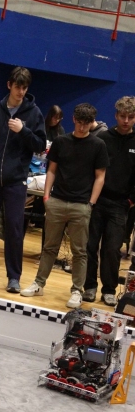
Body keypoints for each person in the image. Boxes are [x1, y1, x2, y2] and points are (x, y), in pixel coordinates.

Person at [21, 103, 109, 308]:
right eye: (79, 122)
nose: (82, 127)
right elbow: (51, 170)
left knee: (80, 251)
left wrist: (91, 203)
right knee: (49, 247)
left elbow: (100, 176)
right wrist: (46, 197)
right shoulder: (61, 141)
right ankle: (39, 283)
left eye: (86, 123)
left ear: (92, 123)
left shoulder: (98, 145)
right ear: (73, 119)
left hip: (82, 205)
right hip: (57, 201)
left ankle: (77, 290)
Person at [0, 66, 46, 293]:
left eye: (24, 88)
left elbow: (40, 145)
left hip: (16, 181)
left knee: (14, 229)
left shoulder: (34, 114)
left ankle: (14, 277)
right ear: (9, 85)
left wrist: (23, 130)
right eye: (17, 87)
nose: (21, 92)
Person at [83, 97, 135, 306]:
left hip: (121, 204)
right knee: (90, 245)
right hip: (98, 200)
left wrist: (131, 200)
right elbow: (91, 169)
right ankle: (89, 287)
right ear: (116, 116)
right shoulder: (103, 138)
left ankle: (109, 290)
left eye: (130, 117)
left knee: (112, 249)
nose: (126, 121)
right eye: (122, 116)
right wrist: (90, 198)